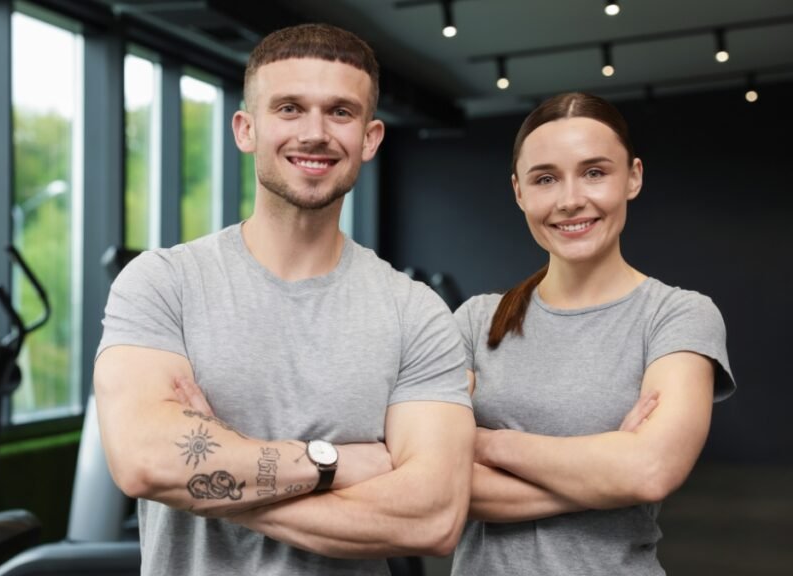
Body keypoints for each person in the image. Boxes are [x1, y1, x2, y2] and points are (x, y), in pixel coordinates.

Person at [93, 23, 475, 575]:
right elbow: (146, 463)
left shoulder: (414, 311)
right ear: (246, 129)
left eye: (340, 112)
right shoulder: (162, 281)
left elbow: (431, 518)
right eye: (290, 109)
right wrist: (336, 463)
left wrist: (215, 472)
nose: (315, 133)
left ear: (370, 139)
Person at [450, 92, 736, 575]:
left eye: (595, 172)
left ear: (634, 177)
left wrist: (484, 444)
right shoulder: (476, 321)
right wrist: (604, 470)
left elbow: (649, 471)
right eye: (545, 179)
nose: (570, 200)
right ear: (519, 192)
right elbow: (431, 480)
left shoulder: (678, 315)